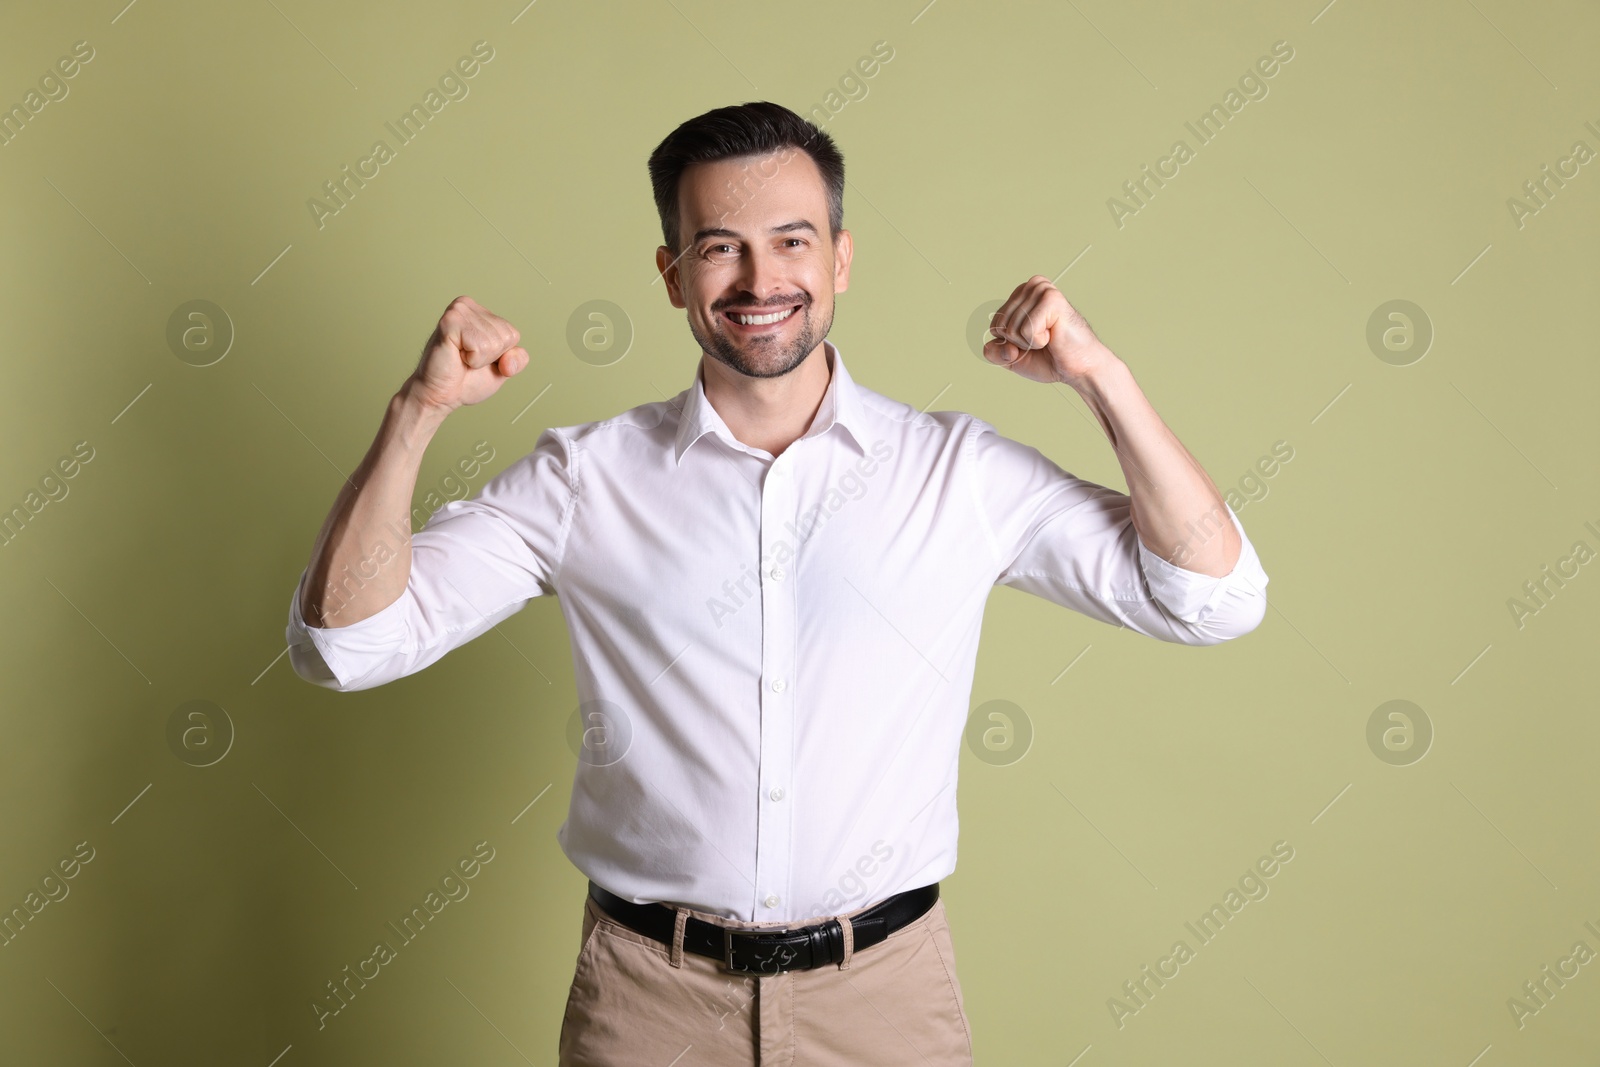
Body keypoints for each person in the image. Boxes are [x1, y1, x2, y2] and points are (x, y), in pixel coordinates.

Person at [285, 100, 1270, 1066]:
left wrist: (1099, 375)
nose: (761, 278)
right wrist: (418, 411)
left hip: (885, 999)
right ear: (673, 275)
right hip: (647, 1000)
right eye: (720, 246)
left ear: (839, 258)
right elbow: (348, 645)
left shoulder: (954, 473)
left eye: (791, 241)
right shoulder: (583, 478)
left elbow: (1214, 597)